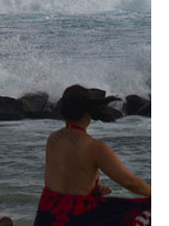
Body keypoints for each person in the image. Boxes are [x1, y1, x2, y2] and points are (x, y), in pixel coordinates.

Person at [33, 85, 150, 225]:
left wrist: (94, 188)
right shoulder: (95, 148)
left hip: (47, 214)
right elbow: (130, 182)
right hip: (77, 216)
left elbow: (64, 177)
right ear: (88, 111)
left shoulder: (52, 139)